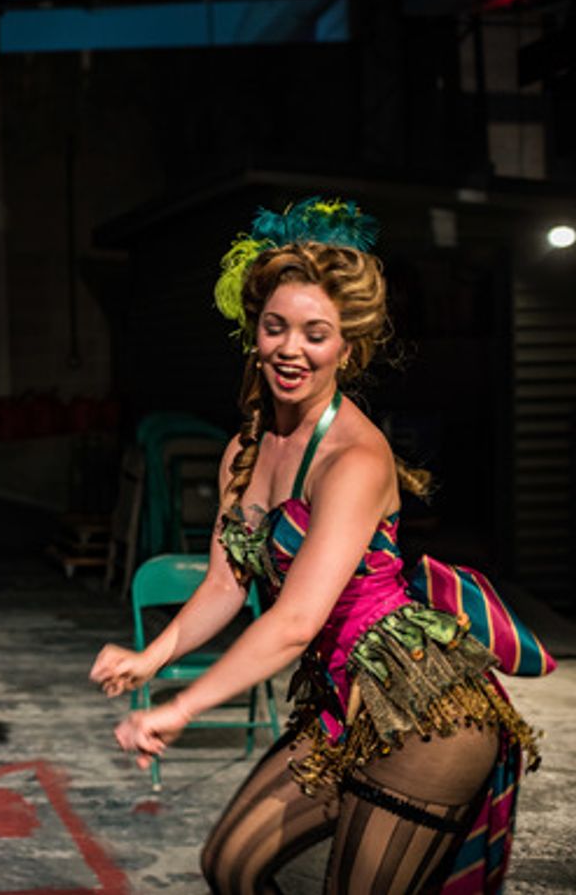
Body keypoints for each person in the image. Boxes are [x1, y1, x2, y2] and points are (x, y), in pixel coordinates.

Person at [91, 198, 546, 894]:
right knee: (230, 864)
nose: (290, 349)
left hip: (425, 715)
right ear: (255, 333)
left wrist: (183, 706)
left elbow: (297, 621)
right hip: (340, 705)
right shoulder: (245, 448)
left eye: (315, 333)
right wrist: (152, 656)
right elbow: (222, 584)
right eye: (276, 327)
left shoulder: (355, 458)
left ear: (347, 346)